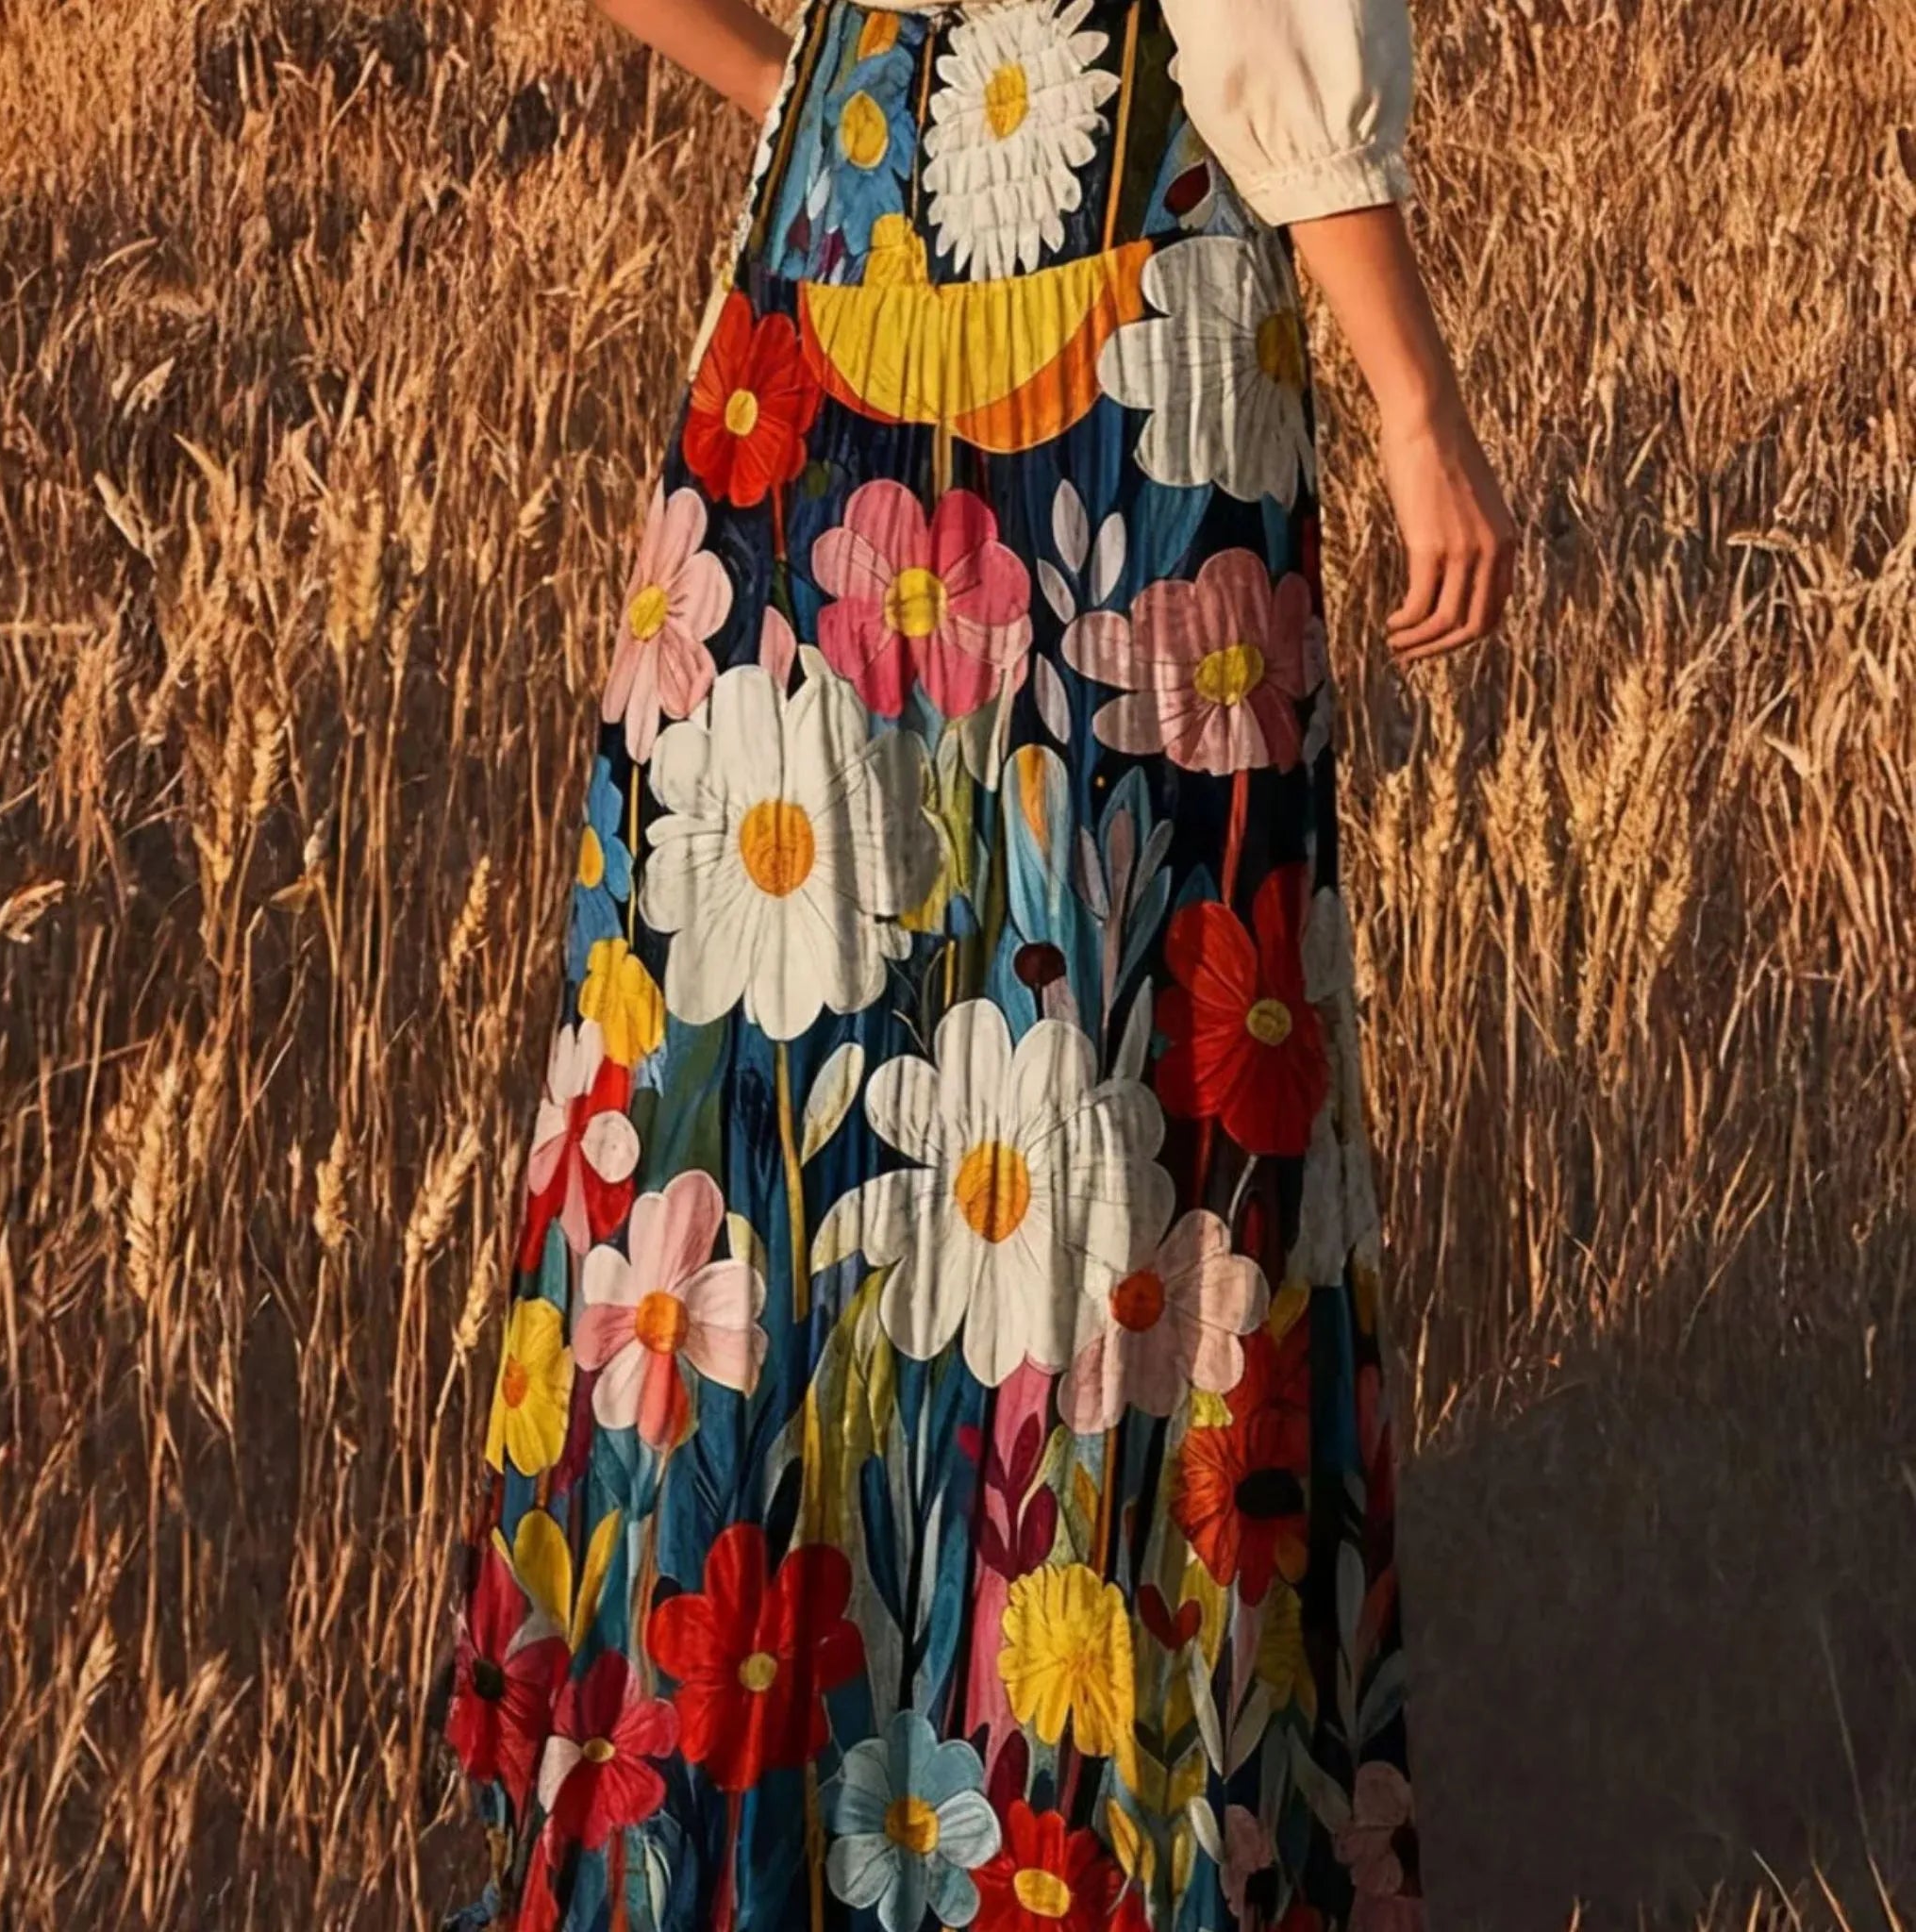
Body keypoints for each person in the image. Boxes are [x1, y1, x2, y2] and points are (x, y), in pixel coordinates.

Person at [441, 3, 1512, 1927]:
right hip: (1126, 348)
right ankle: (1083, 1843)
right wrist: (1414, 395)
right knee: (1112, 1060)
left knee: (776, 1092)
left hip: (813, 302)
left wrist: (828, 87)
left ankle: (730, 1836)